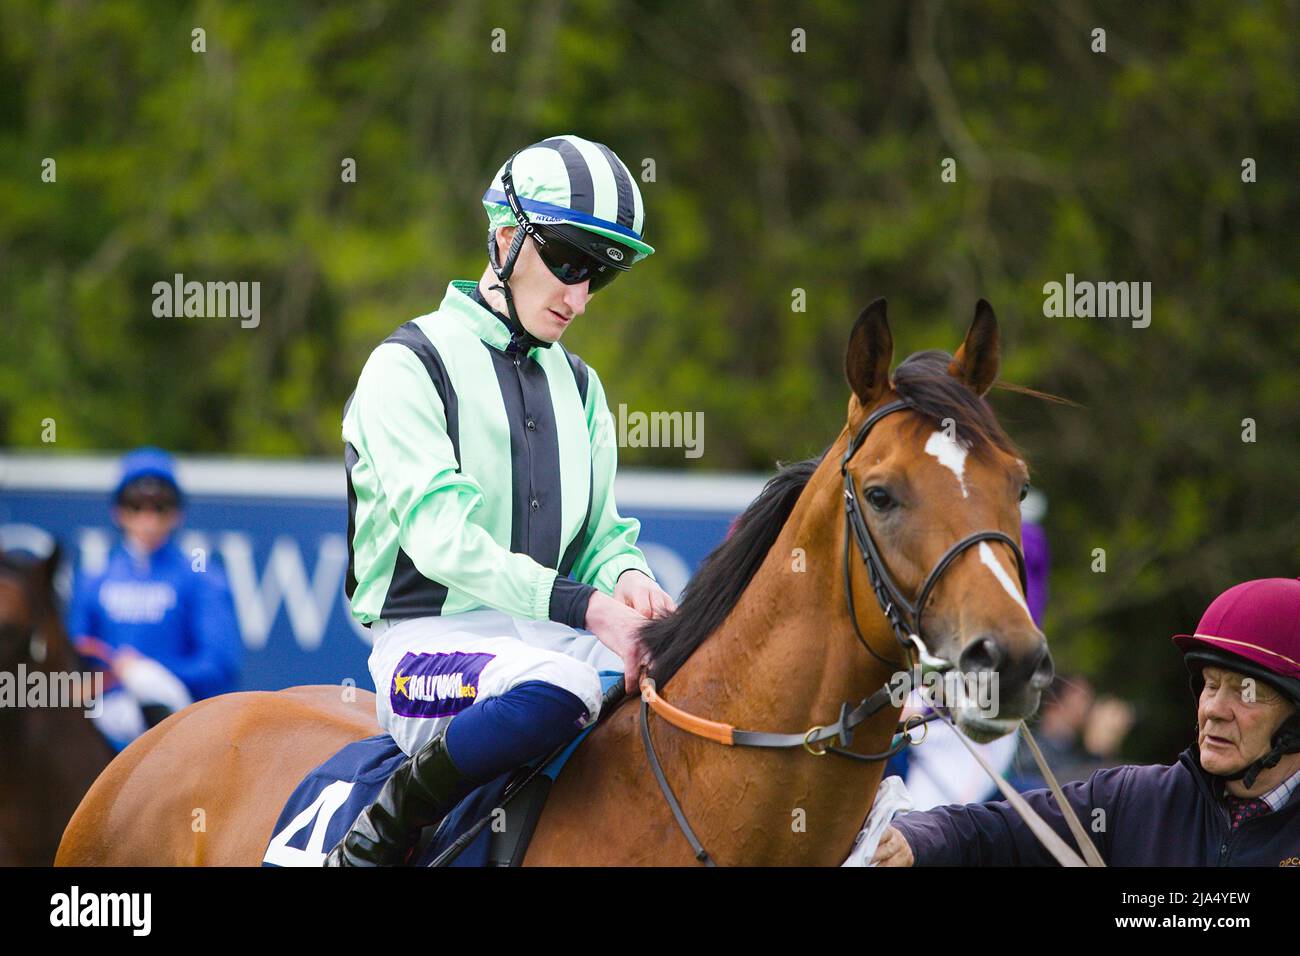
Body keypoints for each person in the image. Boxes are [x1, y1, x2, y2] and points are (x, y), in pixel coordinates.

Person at [326, 135, 676, 866]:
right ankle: (382, 835)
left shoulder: (581, 386)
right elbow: (443, 541)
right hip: (423, 649)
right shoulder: (405, 365)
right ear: (508, 237)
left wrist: (630, 580)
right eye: (571, 263)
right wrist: (590, 608)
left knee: (688, 679)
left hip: (547, 646)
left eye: (599, 278)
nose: (579, 297)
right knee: (568, 683)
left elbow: (601, 537)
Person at [872, 577, 1300, 866]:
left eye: (1246, 692)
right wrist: (915, 840)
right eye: (1210, 685)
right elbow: (994, 829)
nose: (1213, 709)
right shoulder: (1134, 800)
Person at [67, 447, 242, 751]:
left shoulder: (201, 578)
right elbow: (74, 657)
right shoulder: (93, 580)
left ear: (177, 513)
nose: (148, 518)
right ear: (118, 511)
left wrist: (146, 670)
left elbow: (219, 667)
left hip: (178, 731)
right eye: (136, 505)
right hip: (100, 730)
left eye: (160, 506)